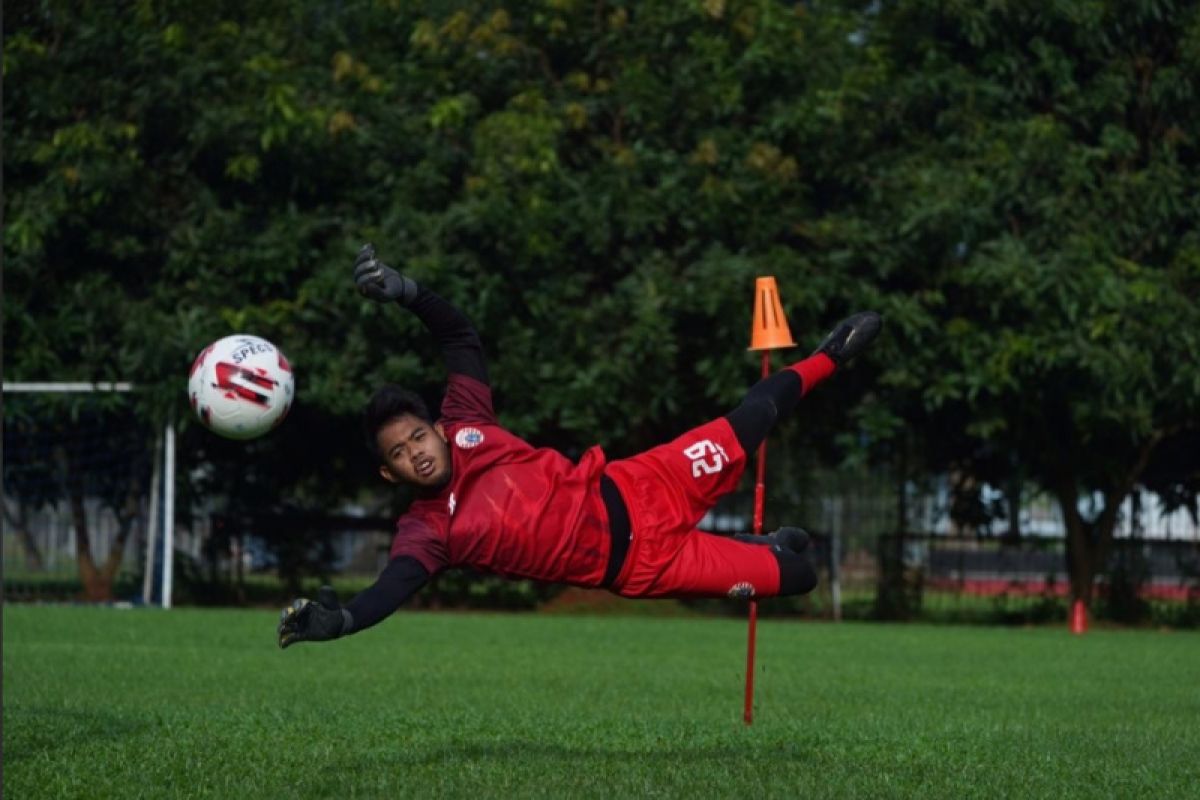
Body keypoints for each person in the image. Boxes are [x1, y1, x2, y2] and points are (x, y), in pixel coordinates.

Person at [277, 245, 881, 648]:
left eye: (417, 436)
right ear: (391, 475)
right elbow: (390, 589)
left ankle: (831, 355)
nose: (417, 452)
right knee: (799, 573)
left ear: (435, 425)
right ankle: (764, 547)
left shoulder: (468, 420)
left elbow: (459, 335)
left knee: (753, 416)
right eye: (401, 455)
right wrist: (344, 621)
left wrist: (407, 292)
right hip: (646, 566)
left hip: (646, 482)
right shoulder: (427, 533)